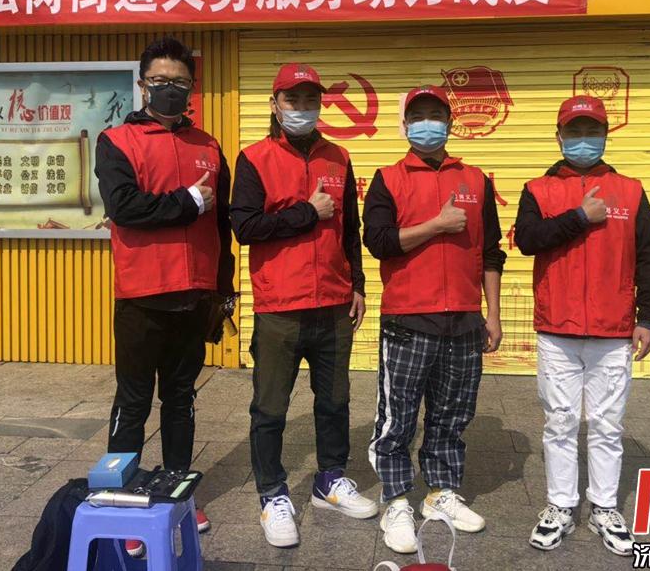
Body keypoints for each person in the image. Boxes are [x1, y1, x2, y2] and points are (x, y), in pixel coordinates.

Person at [94, 37, 235, 547]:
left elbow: (220, 223)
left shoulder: (209, 147)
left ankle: (178, 494)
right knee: (133, 401)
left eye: (179, 82)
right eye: (160, 81)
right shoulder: (116, 142)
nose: (169, 89)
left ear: (192, 88)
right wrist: (186, 201)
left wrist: (224, 289)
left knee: (180, 399)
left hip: (195, 296)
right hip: (141, 295)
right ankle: (124, 498)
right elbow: (125, 207)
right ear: (142, 85)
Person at [230, 63, 376, 548]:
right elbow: (245, 227)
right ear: (275, 105)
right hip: (280, 305)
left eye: (310, 100)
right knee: (270, 408)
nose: (302, 108)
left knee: (334, 401)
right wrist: (305, 213)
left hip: (333, 303)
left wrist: (357, 284)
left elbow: (350, 228)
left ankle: (329, 480)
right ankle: (272, 494)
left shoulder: (339, 157)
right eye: (292, 100)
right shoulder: (254, 159)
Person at [514, 95, 650, 557]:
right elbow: (527, 240)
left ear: (605, 134)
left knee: (606, 424)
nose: (583, 139)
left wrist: (647, 317)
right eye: (574, 131)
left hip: (613, 330)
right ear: (559, 136)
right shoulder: (538, 189)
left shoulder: (630, 191)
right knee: (559, 422)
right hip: (556, 329)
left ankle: (604, 507)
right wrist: (579, 217)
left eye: (592, 130)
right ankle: (561, 505)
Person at [363, 85, 506, 554]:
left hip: (464, 320)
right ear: (405, 125)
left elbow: (491, 252)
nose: (428, 123)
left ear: (450, 122)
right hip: (409, 318)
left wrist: (492, 314)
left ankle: (440, 492)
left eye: (436, 115)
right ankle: (396, 499)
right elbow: (379, 242)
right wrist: (436, 226)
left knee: (452, 414)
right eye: (419, 115)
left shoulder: (476, 180)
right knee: (397, 417)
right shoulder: (388, 179)